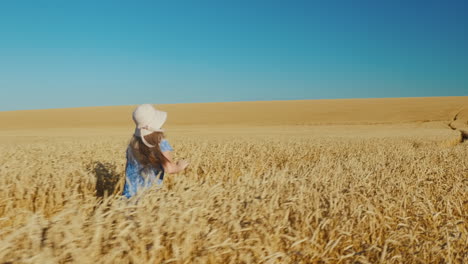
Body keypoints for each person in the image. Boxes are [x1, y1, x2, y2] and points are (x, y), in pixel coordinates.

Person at [122, 104, 189, 198]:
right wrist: (181, 165)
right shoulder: (160, 143)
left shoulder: (132, 145)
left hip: (128, 198)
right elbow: (169, 168)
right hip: (149, 199)